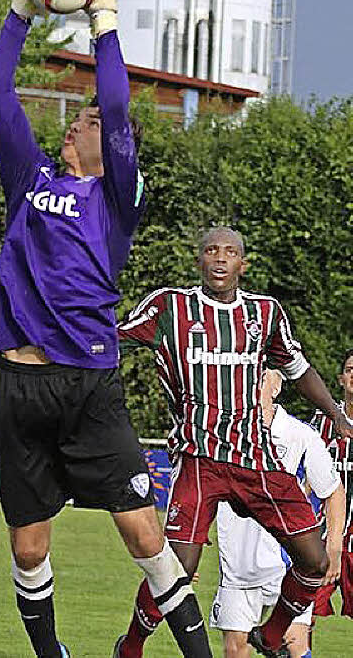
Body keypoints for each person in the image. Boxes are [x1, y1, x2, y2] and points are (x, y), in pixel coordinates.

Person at [0, 0, 210, 658]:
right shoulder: (30, 177)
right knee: (27, 547)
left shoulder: (116, 199)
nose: (82, 120)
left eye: (90, 119)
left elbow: (115, 103)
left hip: (88, 385)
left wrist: (105, 20)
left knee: (144, 533)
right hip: (17, 380)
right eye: (81, 117)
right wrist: (21, 8)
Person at [114, 227, 353, 658]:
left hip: (255, 458)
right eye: (210, 251)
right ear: (199, 261)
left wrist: (337, 415)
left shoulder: (265, 313)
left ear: (243, 264)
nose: (220, 258)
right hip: (198, 456)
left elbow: (298, 369)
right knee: (177, 570)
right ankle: (131, 645)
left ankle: (273, 633)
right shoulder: (170, 306)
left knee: (315, 562)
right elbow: (110, 337)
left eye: (230, 253)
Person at [210, 369, 345, 658]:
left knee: (294, 641)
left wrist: (333, 544)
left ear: (276, 388)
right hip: (237, 565)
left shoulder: (299, 434)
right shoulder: (221, 435)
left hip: (287, 563)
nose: (249, 387)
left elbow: (333, 490)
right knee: (236, 649)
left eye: (259, 379)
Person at [310, 349, 353, 628]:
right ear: (340, 379)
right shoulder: (323, 420)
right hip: (323, 534)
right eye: (350, 369)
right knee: (301, 611)